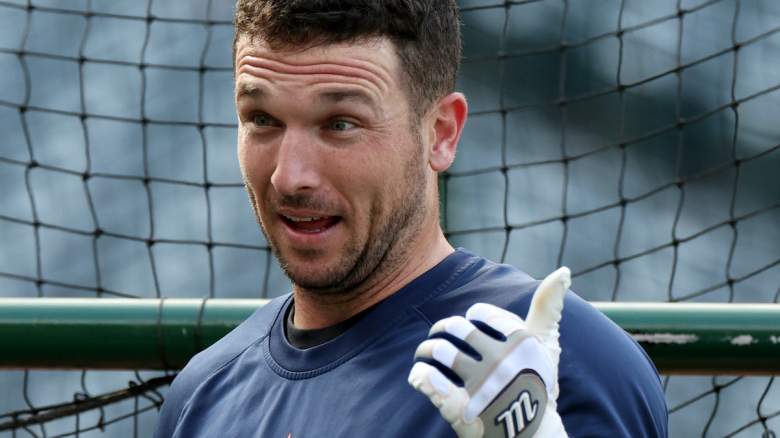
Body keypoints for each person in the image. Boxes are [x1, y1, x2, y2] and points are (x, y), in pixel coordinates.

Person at [154, 1, 668, 437]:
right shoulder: (201, 396)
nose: (290, 177)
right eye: (262, 120)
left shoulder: (557, 365)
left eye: (340, 124)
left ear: (441, 133)